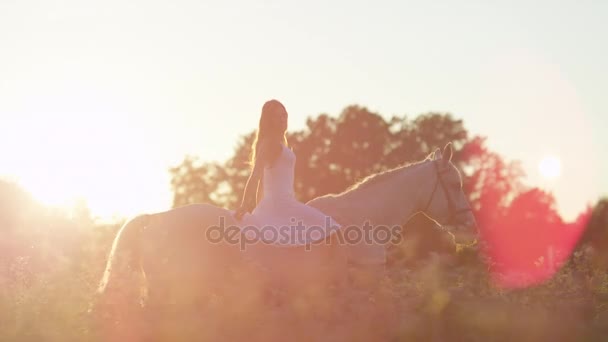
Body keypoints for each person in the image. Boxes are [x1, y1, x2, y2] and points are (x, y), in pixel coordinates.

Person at [233, 99, 341, 246]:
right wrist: (246, 205)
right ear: (269, 120)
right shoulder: (269, 143)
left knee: (325, 233)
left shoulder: (281, 144)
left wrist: (260, 209)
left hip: (285, 203)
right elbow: (256, 177)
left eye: (285, 116)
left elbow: (264, 183)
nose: (283, 120)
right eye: (278, 116)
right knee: (331, 228)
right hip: (280, 204)